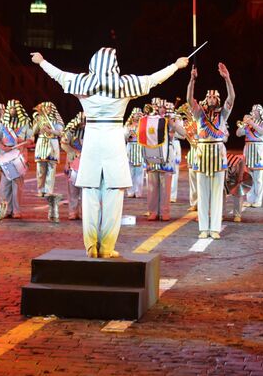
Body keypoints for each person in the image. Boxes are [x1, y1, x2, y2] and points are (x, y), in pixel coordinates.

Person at [33, 48, 188, 259]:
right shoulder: (124, 85)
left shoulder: (82, 83)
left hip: (93, 143)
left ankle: (91, 247)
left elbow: (58, 74)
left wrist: (41, 61)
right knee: (113, 198)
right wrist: (176, 66)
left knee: (90, 197)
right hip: (114, 142)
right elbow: (153, 79)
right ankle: (106, 247)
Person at [187, 63, 236, 240]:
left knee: (216, 193)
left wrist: (227, 78)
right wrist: (192, 80)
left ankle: (214, 228)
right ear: (206, 99)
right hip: (202, 153)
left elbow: (232, 96)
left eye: (215, 98)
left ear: (218, 100)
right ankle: (203, 228)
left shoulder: (223, 114)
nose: (212, 100)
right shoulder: (199, 114)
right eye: (209, 98)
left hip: (217, 153)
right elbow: (188, 98)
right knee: (202, 192)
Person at [0, 100, 34, 220]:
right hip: (6, 155)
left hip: (19, 155)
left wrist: (23, 142)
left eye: (14, 109)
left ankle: (16, 211)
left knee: (17, 185)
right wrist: (3, 147)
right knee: (4, 185)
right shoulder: (3, 123)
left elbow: (31, 139)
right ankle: (7, 210)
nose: (12, 111)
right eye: (10, 109)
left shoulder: (25, 123)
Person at [139, 98, 180, 222]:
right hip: (151, 154)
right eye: (156, 106)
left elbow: (180, 133)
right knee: (151, 186)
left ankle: (164, 211)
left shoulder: (170, 119)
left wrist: (173, 126)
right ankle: (152, 211)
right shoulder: (148, 119)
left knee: (165, 186)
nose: (158, 109)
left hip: (166, 156)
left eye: (160, 107)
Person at [32, 101, 64, 220]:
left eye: (49, 108)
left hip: (52, 143)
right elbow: (34, 131)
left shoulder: (56, 120)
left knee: (51, 169)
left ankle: (48, 190)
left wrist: (50, 130)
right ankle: (40, 190)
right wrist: (37, 121)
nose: (47, 109)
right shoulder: (39, 118)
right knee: (40, 169)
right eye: (45, 108)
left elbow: (60, 132)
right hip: (41, 143)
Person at [237, 104, 263, 207]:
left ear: (260, 112)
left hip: (259, 150)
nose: (254, 112)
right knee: (248, 177)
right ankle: (250, 199)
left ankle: (258, 200)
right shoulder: (248, 124)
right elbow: (238, 133)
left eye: (256, 111)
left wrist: (252, 123)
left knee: (259, 178)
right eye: (253, 110)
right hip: (248, 150)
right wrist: (243, 124)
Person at [62, 112, 85, 222]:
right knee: (72, 190)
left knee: (86, 191)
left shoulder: (92, 131)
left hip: (87, 163)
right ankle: (73, 212)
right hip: (74, 162)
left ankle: (85, 213)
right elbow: (64, 143)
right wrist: (70, 156)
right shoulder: (72, 131)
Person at [224, 151, 252, 224]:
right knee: (221, 194)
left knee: (237, 194)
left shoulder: (231, 161)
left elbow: (241, 161)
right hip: (223, 175)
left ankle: (237, 215)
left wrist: (240, 176)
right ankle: (221, 214)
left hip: (237, 173)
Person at [125, 107, 147, 200]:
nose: (137, 116)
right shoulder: (128, 125)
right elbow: (124, 136)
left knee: (139, 172)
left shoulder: (143, 125)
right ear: (132, 115)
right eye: (136, 114)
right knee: (130, 172)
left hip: (140, 147)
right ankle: (130, 191)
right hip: (130, 147)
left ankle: (138, 191)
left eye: (139, 115)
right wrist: (128, 135)